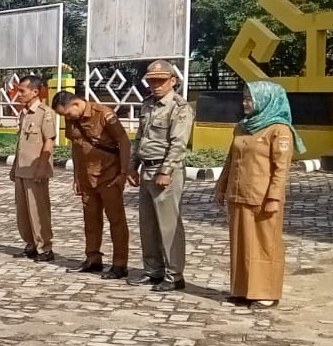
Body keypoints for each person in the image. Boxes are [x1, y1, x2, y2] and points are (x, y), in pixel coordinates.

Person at [215, 82, 301, 310]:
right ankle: (243, 289)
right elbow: (230, 159)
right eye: (244, 98)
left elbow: (281, 168)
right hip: (238, 193)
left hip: (262, 197)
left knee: (265, 245)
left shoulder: (278, 130)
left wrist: (274, 197)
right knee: (240, 244)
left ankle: (266, 292)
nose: (245, 103)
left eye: (250, 99)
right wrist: (221, 186)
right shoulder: (242, 127)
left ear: (266, 100)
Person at [131, 60, 195, 292]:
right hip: (146, 169)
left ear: (172, 81)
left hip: (164, 171)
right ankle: (153, 271)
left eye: (160, 81)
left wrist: (165, 171)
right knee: (147, 225)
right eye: (151, 81)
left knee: (169, 226)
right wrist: (132, 165)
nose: (155, 85)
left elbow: (179, 144)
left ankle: (174, 275)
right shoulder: (147, 105)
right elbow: (140, 138)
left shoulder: (179, 107)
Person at [54, 91, 132, 280]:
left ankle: (120, 264)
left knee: (116, 221)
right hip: (87, 177)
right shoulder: (73, 120)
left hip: (109, 176)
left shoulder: (103, 114)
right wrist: (76, 177)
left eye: (66, 114)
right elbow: (76, 147)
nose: (66, 118)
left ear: (76, 104)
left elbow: (124, 141)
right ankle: (92, 258)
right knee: (90, 220)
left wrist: (123, 173)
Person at [11, 76, 58, 262]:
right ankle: (30, 244)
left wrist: (42, 166)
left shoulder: (44, 112)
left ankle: (45, 247)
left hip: (36, 170)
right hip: (22, 169)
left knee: (38, 210)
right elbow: (21, 144)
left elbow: (49, 141)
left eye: (22, 91)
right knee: (22, 211)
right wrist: (14, 166)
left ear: (35, 92)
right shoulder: (24, 113)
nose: (18, 94)